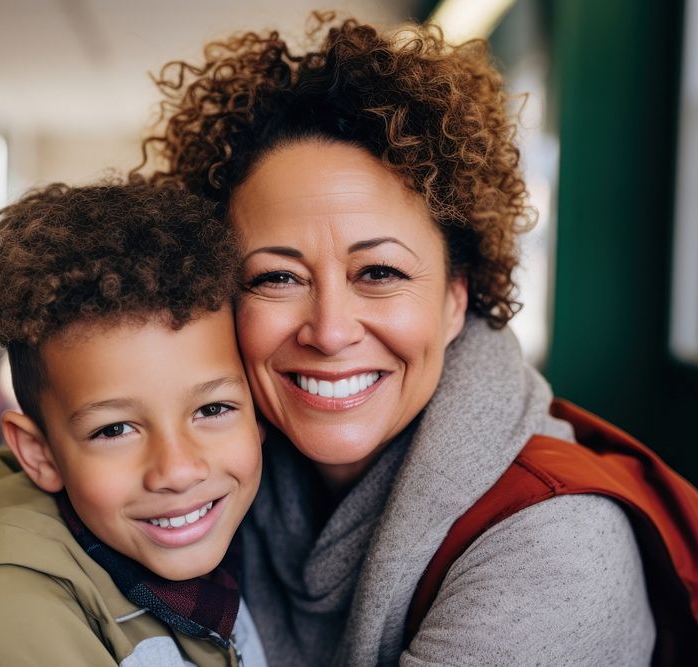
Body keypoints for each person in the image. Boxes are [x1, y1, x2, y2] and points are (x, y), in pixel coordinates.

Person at [137, 16, 659, 665]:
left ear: (454, 299)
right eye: (277, 277)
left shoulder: (554, 545)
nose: (329, 331)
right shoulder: (205, 470)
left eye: (379, 272)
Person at [0, 182, 268, 666]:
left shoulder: (226, 552)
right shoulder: (2, 616)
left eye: (212, 410)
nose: (177, 470)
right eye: (114, 430)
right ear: (40, 454)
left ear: (259, 412)